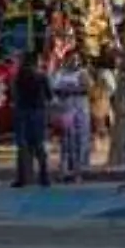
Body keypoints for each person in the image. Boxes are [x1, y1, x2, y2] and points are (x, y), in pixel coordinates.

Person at [11, 51, 53, 188]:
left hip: (22, 111)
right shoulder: (41, 76)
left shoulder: (18, 76)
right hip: (38, 112)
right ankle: (44, 176)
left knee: (22, 145)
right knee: (39, 145)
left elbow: (14, 94)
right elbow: (49, 95)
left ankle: (22, 178)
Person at [51, 51, 94, 183]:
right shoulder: (60, 73)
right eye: (72, 58)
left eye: (77, 59)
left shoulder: (83, 73)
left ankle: (79, 171)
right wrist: (73, 89)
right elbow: (54, 88)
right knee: (66, 141)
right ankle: (64, 171)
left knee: (80, 140)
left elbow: (87, 88)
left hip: (81, 111)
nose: (75, 61)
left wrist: (70, 89)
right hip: (66, 111)